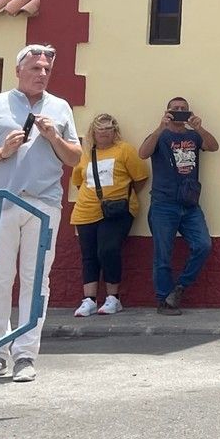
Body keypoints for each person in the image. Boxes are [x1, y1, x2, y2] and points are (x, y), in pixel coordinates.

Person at [0, 43, 82, 382]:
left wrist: (54, 138)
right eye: (36, 68)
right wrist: (1, 152)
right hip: (0, 202)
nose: (42, 74)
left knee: (36, 281)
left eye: (47, 70)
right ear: (18, 71)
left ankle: (25, 355)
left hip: (43, 203)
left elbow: (75, 157)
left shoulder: (60, 107)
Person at [138, 96, 218, 315]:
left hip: (190, 204)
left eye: (183, 109)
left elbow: (213, 146)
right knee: (163, 254)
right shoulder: (160, 135)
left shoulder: (194, 135)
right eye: (175, 109)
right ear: (167, 112)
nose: (179, 111)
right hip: (163, 204)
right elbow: (143, 153)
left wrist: (199, 128)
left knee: (203, 245)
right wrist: (159, 128)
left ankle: (180, 287)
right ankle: (164, 301)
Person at [70, 113, 149, 317]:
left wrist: (122, 196)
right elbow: (78, 181)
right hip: (86, 211)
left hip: (117, 211)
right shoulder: (86, 154)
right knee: (89, 255)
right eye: (100, 129)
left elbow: (140, 177)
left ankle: (113, 297)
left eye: (108, 129)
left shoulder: (125, 150)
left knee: (108, 250)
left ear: (115, 131)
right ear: (93, 132)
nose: (104, 132)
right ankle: (89, 299)